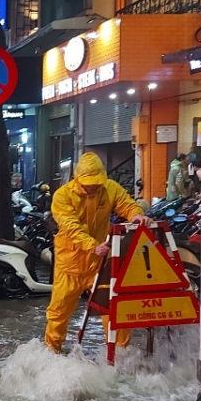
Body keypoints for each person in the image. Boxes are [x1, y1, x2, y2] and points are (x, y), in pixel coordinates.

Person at [45, 152, 150, 354]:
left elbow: (126, 204)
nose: (92, 186)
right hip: (70, 264)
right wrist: (93, 245)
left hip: (100, 263)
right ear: (78, 179)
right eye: (88, 183)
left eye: (96, 182)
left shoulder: (109, 188)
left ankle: (121, 354)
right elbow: (70, 227)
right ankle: (52, 352)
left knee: (114, 309)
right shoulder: (63, 196)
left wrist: (136, 215)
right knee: (58, 312)